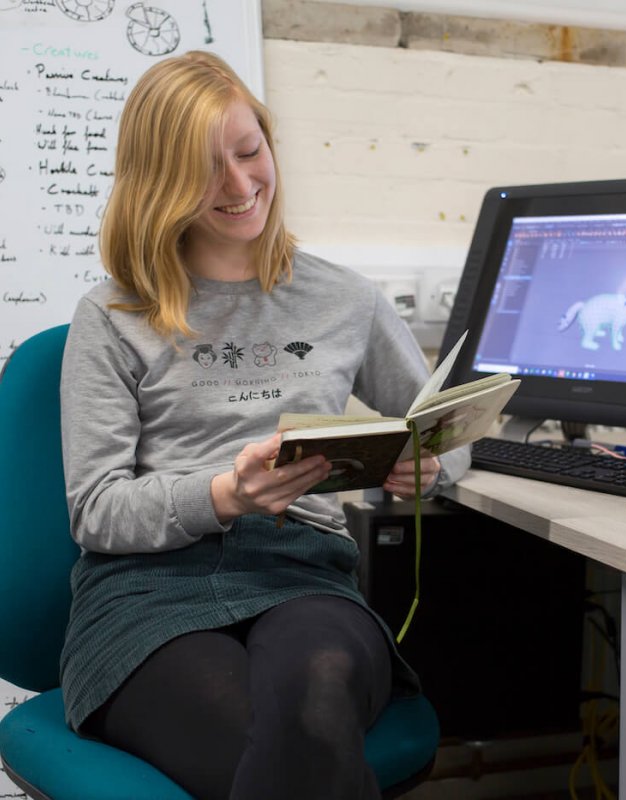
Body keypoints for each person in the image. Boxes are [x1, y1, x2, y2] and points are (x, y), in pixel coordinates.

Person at [59, 50, 470, 800]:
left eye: (251, 153)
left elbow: (447, 432)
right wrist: (224, 494)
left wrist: (428, 465)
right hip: (147, 596)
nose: (244, 185)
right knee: (265, 745)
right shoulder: (110, 316)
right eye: (210, 170)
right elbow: (96, 512)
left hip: (303, 574)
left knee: (313, 702)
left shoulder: (347, 300)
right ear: (161, 183)